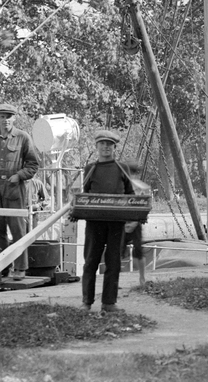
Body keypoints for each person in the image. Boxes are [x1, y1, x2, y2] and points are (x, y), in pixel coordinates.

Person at [0, 103, 40, 279]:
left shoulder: (23, 137)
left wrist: (19, 176)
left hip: (15, 187)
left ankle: (20, 268)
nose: (5, 120)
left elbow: (33, 164)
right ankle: (2, 266)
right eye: (2, 116)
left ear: (14, 118)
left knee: (18, 228)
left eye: (9, 116)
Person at [80, 129, 136, 313]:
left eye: (109, 144)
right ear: (97, 146)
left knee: (114, 262)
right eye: (102, 144)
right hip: (94, 223)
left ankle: (109, 303)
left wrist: (132, 219)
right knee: (90, 261)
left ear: (114, 147)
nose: (106, 147)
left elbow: (131, 195)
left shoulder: (122, 168)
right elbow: (83, 195)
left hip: (116, 223)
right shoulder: (90, 169)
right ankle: (86, 302)